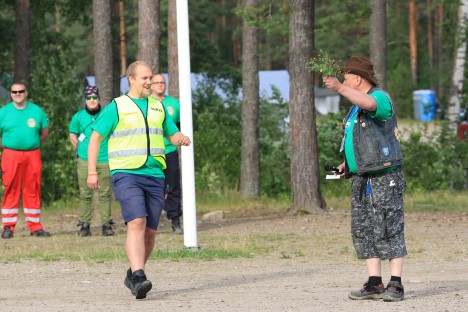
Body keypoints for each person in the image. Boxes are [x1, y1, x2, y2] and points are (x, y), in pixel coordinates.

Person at [87, 61, 191, 300]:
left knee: (150, 233)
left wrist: (181, 138)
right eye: (144, 78)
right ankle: (140, 276)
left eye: (151, 78)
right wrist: (92, 171)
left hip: (155, 174)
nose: (149, 82)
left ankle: (133, 274)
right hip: (126, 173)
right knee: (137, 222)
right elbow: (95, 139)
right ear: (131, 79)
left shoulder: (158, 107)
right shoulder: (117, 106)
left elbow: (170, 133)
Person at [323, 56, 407, 302]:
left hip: (385, 176)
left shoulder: (379, 97)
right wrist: (346, 165)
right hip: (362, 176)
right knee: (365, 229)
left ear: (357, 78)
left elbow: (371, 104)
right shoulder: (354, 106)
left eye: (347, 77)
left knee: (389, 228)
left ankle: (396, 284)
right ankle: (374, 283)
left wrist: (340, 88)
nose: (344, 82)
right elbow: (358, 139)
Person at [0, 82, 50, 238]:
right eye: (14, 92)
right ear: (11, 94)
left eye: (21, 91)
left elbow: (44, 132)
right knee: (10, 188)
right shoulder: (4, 112)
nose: (17, 94)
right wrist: (9, 146)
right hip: (10, 155)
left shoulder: (36, 111)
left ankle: (35, 227)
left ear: (26, 92)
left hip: (32, 154)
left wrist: (30, 144)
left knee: (33, 189)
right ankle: (8, 227)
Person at [69, 86, 114, 237]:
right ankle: (85, 225)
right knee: (85, 194)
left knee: (105, 193)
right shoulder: (78, 117)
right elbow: (72, 135)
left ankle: (106, 224)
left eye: (94, 97)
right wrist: (78, 146)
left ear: (99, 98)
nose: (92, 100)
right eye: (88, 98)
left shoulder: (107, 114)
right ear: (85, 100)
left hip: (104, 159)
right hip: (84, 160)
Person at [150, 74, 183, 234]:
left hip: (170, 152)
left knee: (174, 187)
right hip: (151, 153)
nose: (160, 85)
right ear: (151, 85)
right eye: (156, 83)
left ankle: (175, 219)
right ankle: (150, 221)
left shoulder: (174, 104)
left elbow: (179, 128)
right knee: (153, 187)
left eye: (162, 82)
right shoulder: (146, 103)